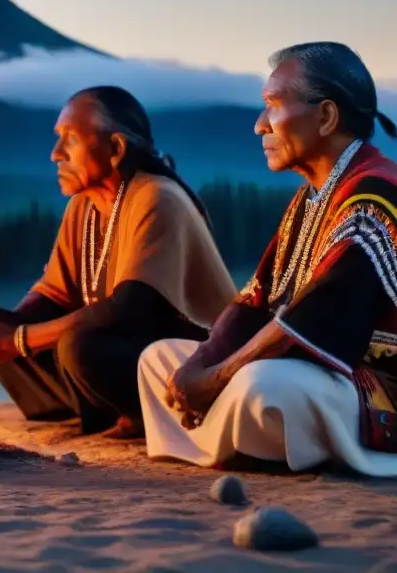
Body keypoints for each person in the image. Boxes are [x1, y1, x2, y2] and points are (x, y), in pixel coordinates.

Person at [138, 42, 397, 475]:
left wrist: (216, 378)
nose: (260, 126)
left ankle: (234, 433)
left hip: (373, 387)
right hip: (314, 377)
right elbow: (256, 299)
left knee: (262, 387)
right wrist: (199, 368)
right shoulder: (310, 197)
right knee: (159, 359)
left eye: (272, 106)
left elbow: (315, 317)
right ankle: (233, 434)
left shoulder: (376, 192)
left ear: (326, 116)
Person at [0, 86, 237, 438]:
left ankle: (141, 415)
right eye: (57, 140)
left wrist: (20, 339)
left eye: (70, 140)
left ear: (116, 149)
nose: (55, 154)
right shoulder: (84, 204)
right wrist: (11, 322)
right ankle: (96, 409)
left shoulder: (157, 196)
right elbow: (55, 294)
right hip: (121, 346)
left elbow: (127, 311)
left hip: (184, 359)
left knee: (78, 346)